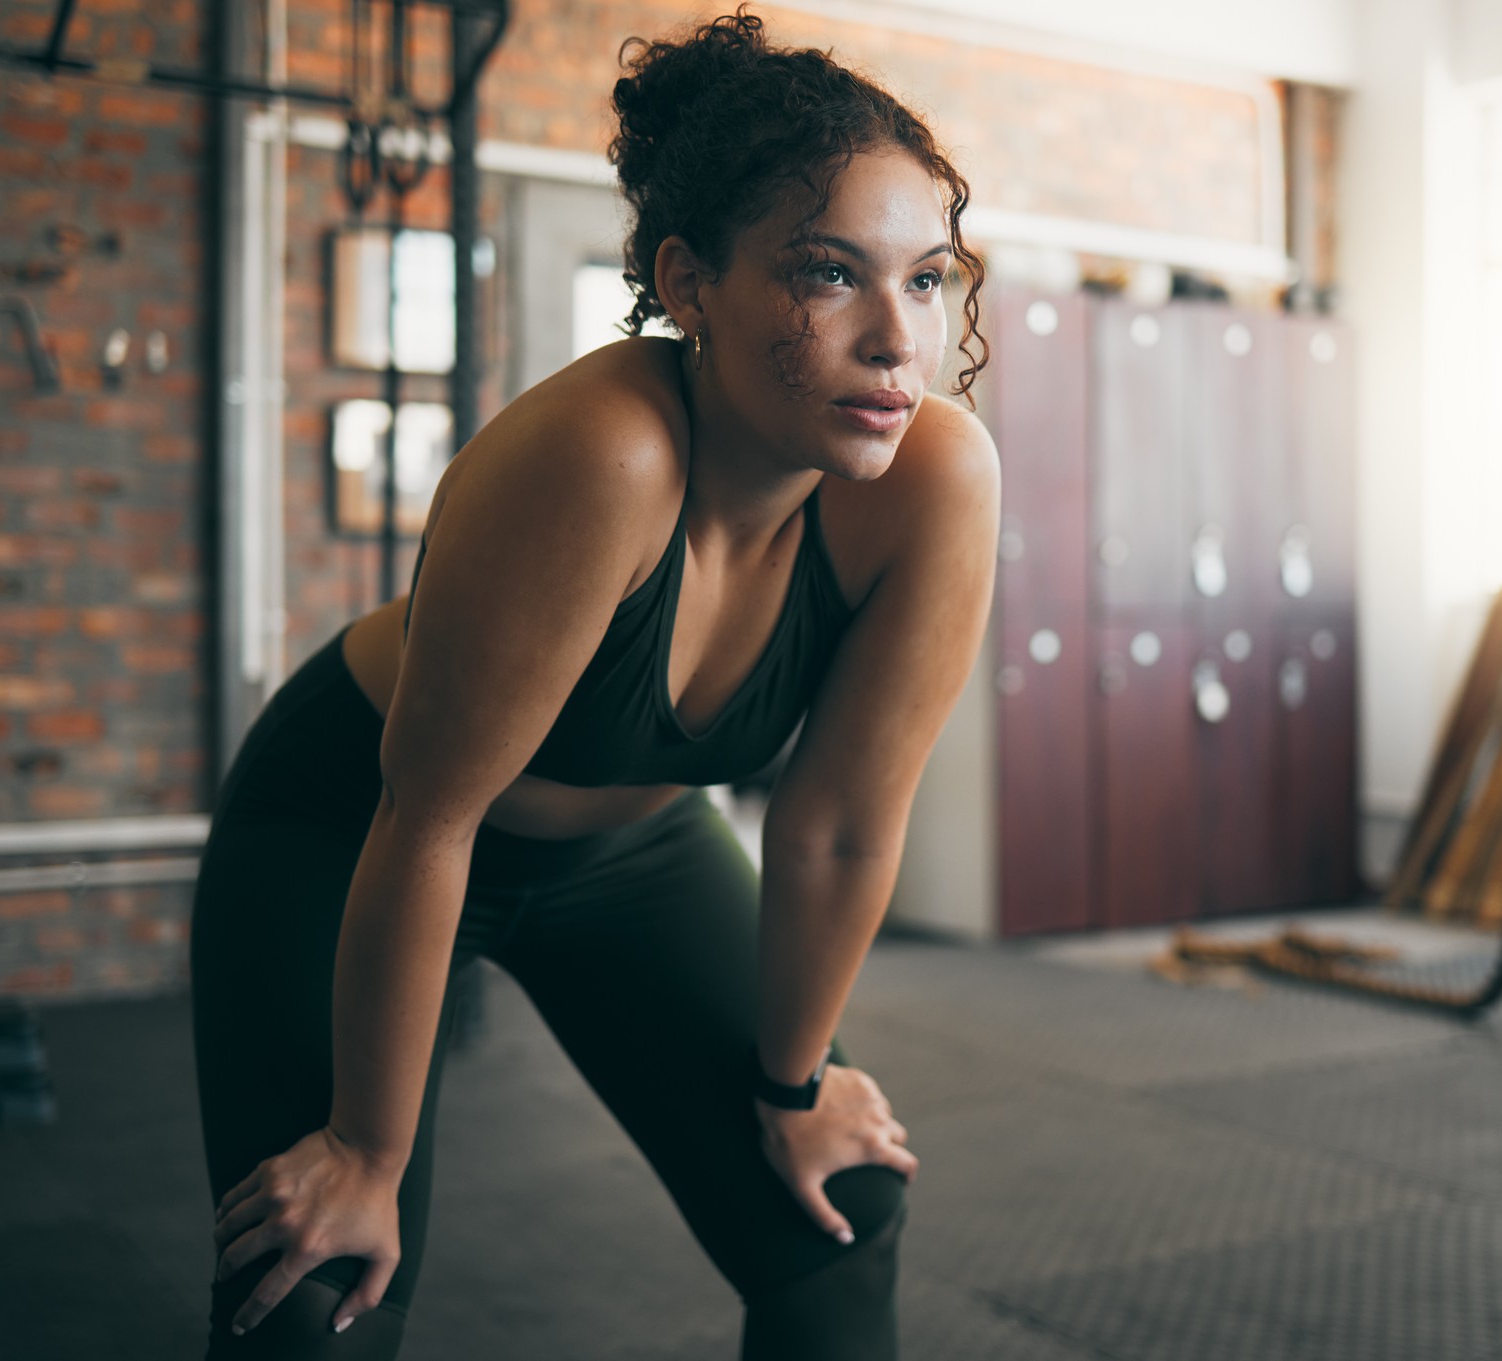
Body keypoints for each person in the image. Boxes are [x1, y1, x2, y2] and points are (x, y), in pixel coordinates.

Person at [189, 9, 997, 1358]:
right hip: (357, 821)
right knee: (316, 1287)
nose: (895, 340)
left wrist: (796, 1083)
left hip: (632, 847)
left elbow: (841, 823)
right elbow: (430, 816)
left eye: (926, 280)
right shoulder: (603, 456)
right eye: (827, 274)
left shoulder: (934, 480)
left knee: (838, 1205)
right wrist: (365, 1151)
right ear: (689, 285)